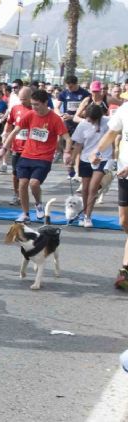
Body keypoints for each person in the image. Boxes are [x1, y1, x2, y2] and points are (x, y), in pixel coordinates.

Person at [0, 90, 70, 223]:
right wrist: (4, 149)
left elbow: (67, 138)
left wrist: (67, 152)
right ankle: (25, 213)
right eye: (32, 104)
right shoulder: (30, 115)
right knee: (22, 184)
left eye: (37, 105)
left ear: (46, 103)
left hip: (44, 158)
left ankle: (38, 203)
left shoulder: (55, 119)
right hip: (27, 155)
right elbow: (14, 132)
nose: (34, 107)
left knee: (34, 184)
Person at [91, 102, 128, 289]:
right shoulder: (125, 109)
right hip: (124, 173)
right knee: (124, 221)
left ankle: (126, 269)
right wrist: (98, 151)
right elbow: (112, 133)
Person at [72, 104, 111, 228]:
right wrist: (72, 160)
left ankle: (88, 216)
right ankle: (83, 213)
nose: (92, 122)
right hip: (86, 158)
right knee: (85, 189)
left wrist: (114, 158)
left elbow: (115, 138)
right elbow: (78, 145)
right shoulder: (83, 124)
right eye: (89, 119)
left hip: (103, 158)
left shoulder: (108, 122)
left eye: (94, 120)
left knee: (93, 188)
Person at [2, 87, 33, 206]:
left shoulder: (36, 110)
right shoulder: (16, 109)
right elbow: (9, 123)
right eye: (20, 99)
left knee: (27, 175)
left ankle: (24, 194)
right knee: (15, 172)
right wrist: (5, 134)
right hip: (17, 147)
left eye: (25, 99)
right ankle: (16, 194)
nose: (22, 101)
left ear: (31, 97)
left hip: (31, 149)